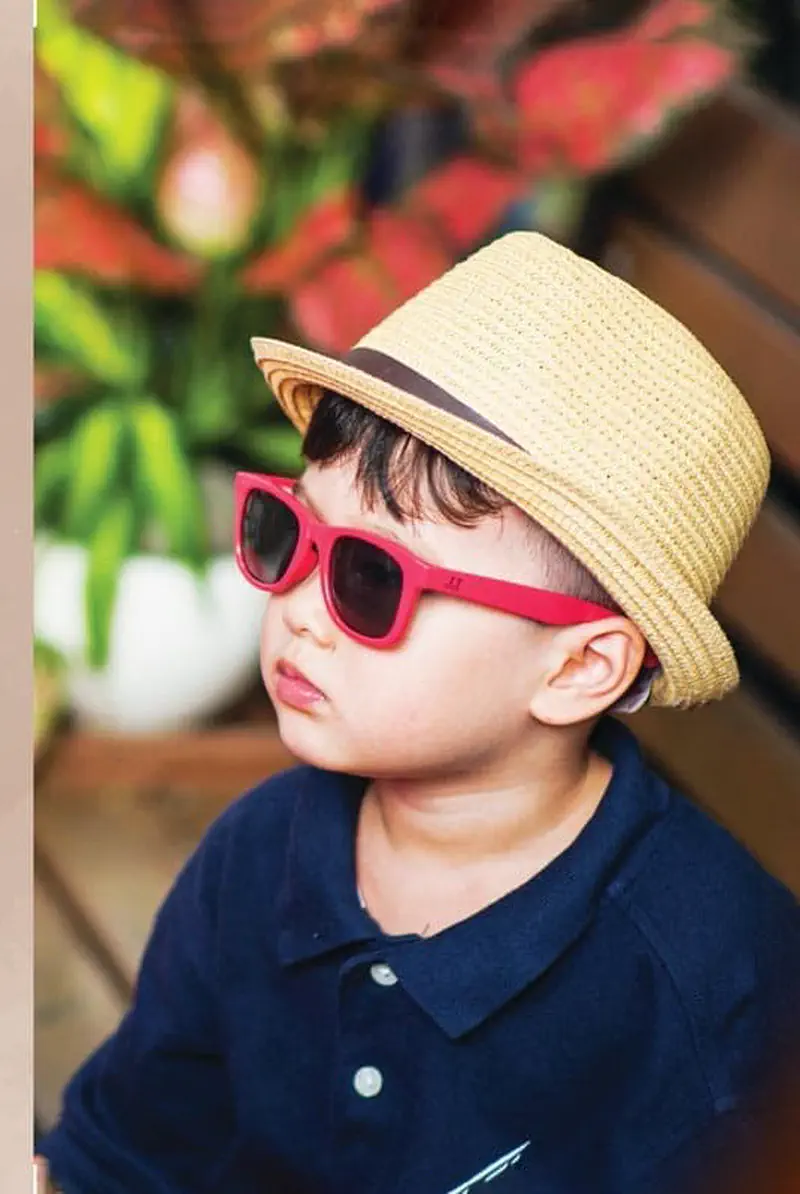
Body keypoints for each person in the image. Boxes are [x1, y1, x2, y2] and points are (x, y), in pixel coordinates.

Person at [37, 232, 800, 1194]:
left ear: (577, 669)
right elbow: (127, 1154)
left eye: (369, 576)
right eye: (291, 532)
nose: (301, 610)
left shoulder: (713, 991)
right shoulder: (260, 856)